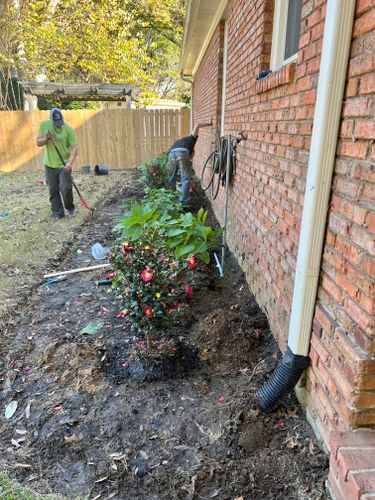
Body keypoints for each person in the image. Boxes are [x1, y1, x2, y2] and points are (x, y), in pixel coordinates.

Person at [36, 108, 78, 220]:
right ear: (51, 120)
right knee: (53, 189)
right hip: (49, 164)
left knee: (66, 188)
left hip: (64, 165)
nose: (58, 125)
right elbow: (38, 142)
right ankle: (57, 213)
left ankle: (70, 208)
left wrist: (69, 163)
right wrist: (46, 138)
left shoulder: (68, 130)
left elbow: (74, 148)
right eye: (56, 123)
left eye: (60, 122)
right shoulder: (44, 125)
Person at [168, 121, 212, 207]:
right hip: (183, 152)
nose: (191, 159)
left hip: (171, 153)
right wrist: (209, 123)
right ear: (192, 153)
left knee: (172, 177)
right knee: (185, 179)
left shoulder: (181, 141)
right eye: (192, 157)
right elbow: (198, 125)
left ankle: (171, 199)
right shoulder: (192, 138)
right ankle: (183, 203)